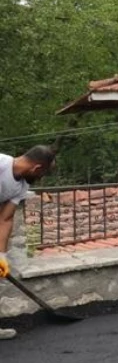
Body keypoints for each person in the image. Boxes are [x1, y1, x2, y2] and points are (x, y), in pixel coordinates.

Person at [0, 146, 57, 340]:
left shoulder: (22, 187)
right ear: (37, 168)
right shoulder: (1, 163)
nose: (41, 179)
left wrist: (1, 255)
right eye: (43, 174)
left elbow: (5, 220)